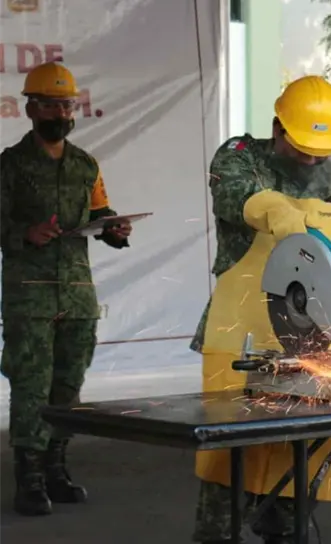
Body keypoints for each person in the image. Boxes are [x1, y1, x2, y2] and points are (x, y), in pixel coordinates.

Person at [189, 74, 331, 544]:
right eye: (301, 148)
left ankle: (287, 528)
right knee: (227, 473)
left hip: (312, 343)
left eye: (320, 150)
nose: (311, 159)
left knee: (300, 472)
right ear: (278, 129)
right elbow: (234, 195)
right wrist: (275, 209)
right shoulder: (240, 157)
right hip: (240, 338)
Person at [0, 61, 133, 516]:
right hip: (31, 294)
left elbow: (100, 210)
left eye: (67, 104)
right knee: (32, 385)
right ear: (32, 108)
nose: (62, 112)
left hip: (77, 294)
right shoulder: (10, 165)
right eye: (53, 104)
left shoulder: (85, 165)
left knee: (68, 386)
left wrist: (114, 229)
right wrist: (23, 233)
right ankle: (29, 478)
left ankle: (57, 469)